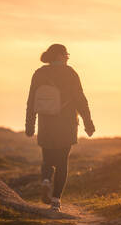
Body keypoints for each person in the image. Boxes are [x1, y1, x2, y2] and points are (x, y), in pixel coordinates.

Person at [25, 44, 95, 212]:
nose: (67, 57)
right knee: (62, 162)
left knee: (47, 158)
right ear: (61, 56)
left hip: (46, 123)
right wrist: (88, 122)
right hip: (66, 123)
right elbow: (80, 100)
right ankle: (56, 201)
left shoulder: (39, 73)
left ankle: (46, 181)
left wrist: (30, 124)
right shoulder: (70, 73)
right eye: (66, 55)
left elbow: (31, 101)